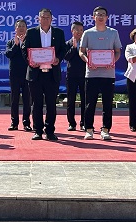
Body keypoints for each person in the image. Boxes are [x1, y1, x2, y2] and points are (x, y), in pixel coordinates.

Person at [22, 8, 67, 141]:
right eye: (43, 17)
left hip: (52, 74)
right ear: (38, 19)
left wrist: (58, 58)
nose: (45, 19)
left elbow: (63, 49)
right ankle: (38, 131)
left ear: (51, 19)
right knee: (37, 104)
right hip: (36, 73)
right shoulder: (31, 32)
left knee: (51, 104)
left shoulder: (58, 33)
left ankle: (50, 131)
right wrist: (30, 61)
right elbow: (24, 50)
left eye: (48, 17)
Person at [79, 6, 122, 141]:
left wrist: (113, 61)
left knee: (107, 103)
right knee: (89, 103)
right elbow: (81, 51)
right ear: (93, 17)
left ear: (107, 17)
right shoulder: (88, 33)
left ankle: (105, 130)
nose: (101, 17)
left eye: (103, 14)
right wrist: (88, 61)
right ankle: (89, 130)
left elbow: (117, 52)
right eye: (98, 14)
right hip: (92, 74)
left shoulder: (113, 33)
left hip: (108, 74)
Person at [5, 19, 32, 131]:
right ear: (15, 29)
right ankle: (14, 122)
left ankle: (26, 123)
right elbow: (8, 54)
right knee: (14, 99)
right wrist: (16, 45)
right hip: (15, 74)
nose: (21, 28)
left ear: (26, 28)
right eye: (19, 26)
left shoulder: (30, 41)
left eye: (23, 26)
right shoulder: (11, 42)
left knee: (27, 99)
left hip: (27, 73)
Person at [64, 21, 86, 131]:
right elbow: (66, 57)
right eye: (77, 30)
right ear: (72, 31)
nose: (79, 32)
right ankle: (72, 123)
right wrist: (73, 47)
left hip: (84, 74)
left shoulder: (85, 43)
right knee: (71, 100)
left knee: (85, 99)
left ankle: (84, 123)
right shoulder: (67, 43)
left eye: (81, 30)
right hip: (71, 75)